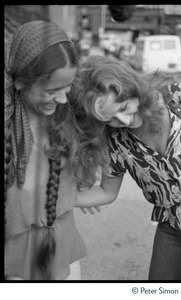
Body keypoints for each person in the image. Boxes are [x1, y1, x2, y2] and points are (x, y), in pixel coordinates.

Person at [68, 55, 181, 280]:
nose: (123, 120)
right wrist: (60, 198)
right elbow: (106, 192)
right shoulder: (115, 142)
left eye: (123, 107)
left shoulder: (179, 97)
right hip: (172, 230)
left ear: (132, 89)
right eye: (109, 118)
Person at [4, 20, 89, 281]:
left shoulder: (72, 117)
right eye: (52, 90)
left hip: (64, 254)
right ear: (21, 82)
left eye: (68, 86)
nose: (63, 98)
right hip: (14, 264)